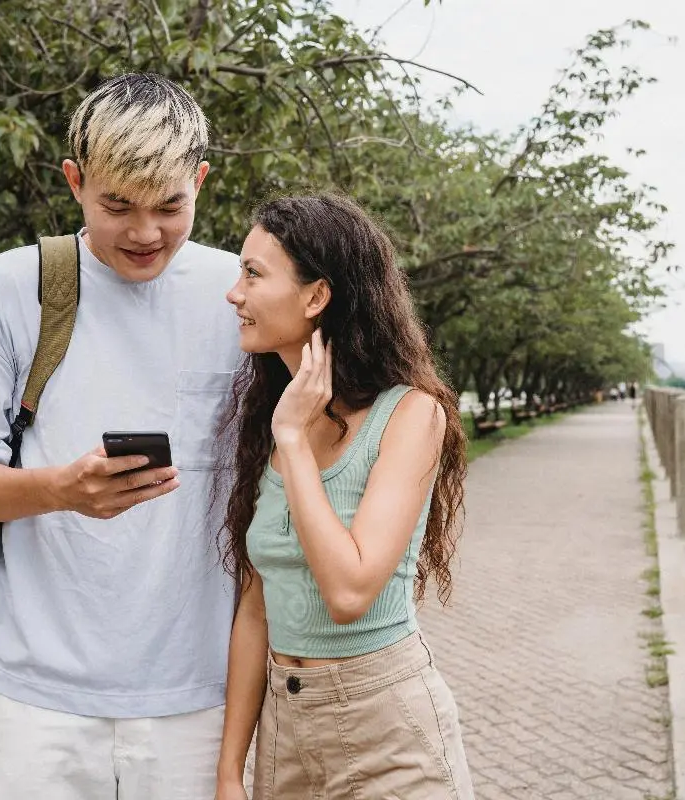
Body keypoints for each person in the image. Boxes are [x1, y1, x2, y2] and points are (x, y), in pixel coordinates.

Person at [0, 73, 242, 799]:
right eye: (117, 206)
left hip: (195, 692)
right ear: (74, 181)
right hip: (39, 694)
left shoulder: (239, 295)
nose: (144, 233)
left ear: (201, 180)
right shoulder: (12, 287)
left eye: (171, 206)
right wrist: (60, 490)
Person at [215, 193, 475, 799]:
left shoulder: (411, 415)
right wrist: (232, 768)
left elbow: (350, 590)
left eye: (254, 274)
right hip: (286, 733)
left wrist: (294, 442)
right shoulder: (267, 417)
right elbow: (256, 607)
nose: (235, 293)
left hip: (387, 727)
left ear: (316, 295)